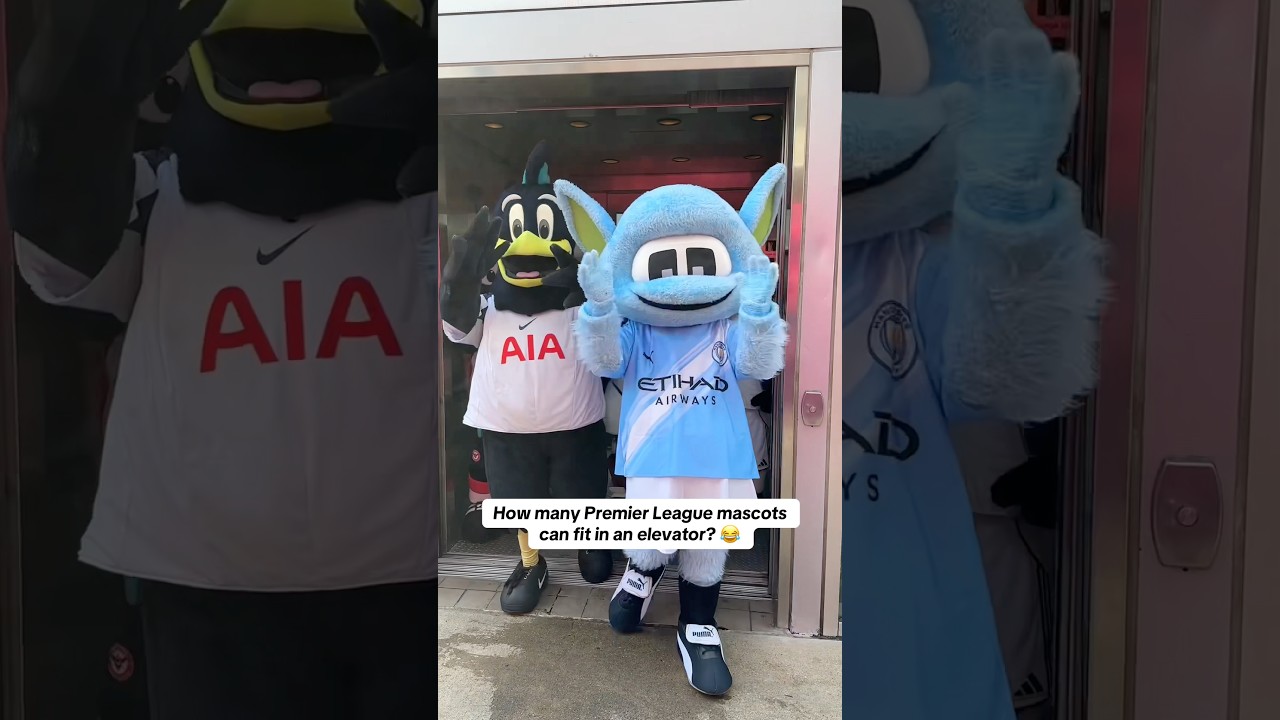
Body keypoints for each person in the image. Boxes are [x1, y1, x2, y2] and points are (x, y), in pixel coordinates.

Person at [7, 0, 437, 716]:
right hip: (207, 593)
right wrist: (66, 120)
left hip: (405, 580)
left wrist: (466, 141)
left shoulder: (421, 193)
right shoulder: (159, 196)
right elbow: (57, 267)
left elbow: (489, 308)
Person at [841, 0, 1105, 718]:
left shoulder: (911, 266)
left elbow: (1010, 378)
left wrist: (1014, 224)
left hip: (909, 639)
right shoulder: (749, 274)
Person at [554, 165, 789, 696]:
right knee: (649, 531)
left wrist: (758, 311)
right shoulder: (637, 326)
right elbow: (605, 361)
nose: (682, 282)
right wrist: (600, 309)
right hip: (653, 454)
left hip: (717, 458)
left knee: (708, 543)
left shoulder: (727, 323)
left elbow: (759, 364)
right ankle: (643, 572)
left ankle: (698, 624)